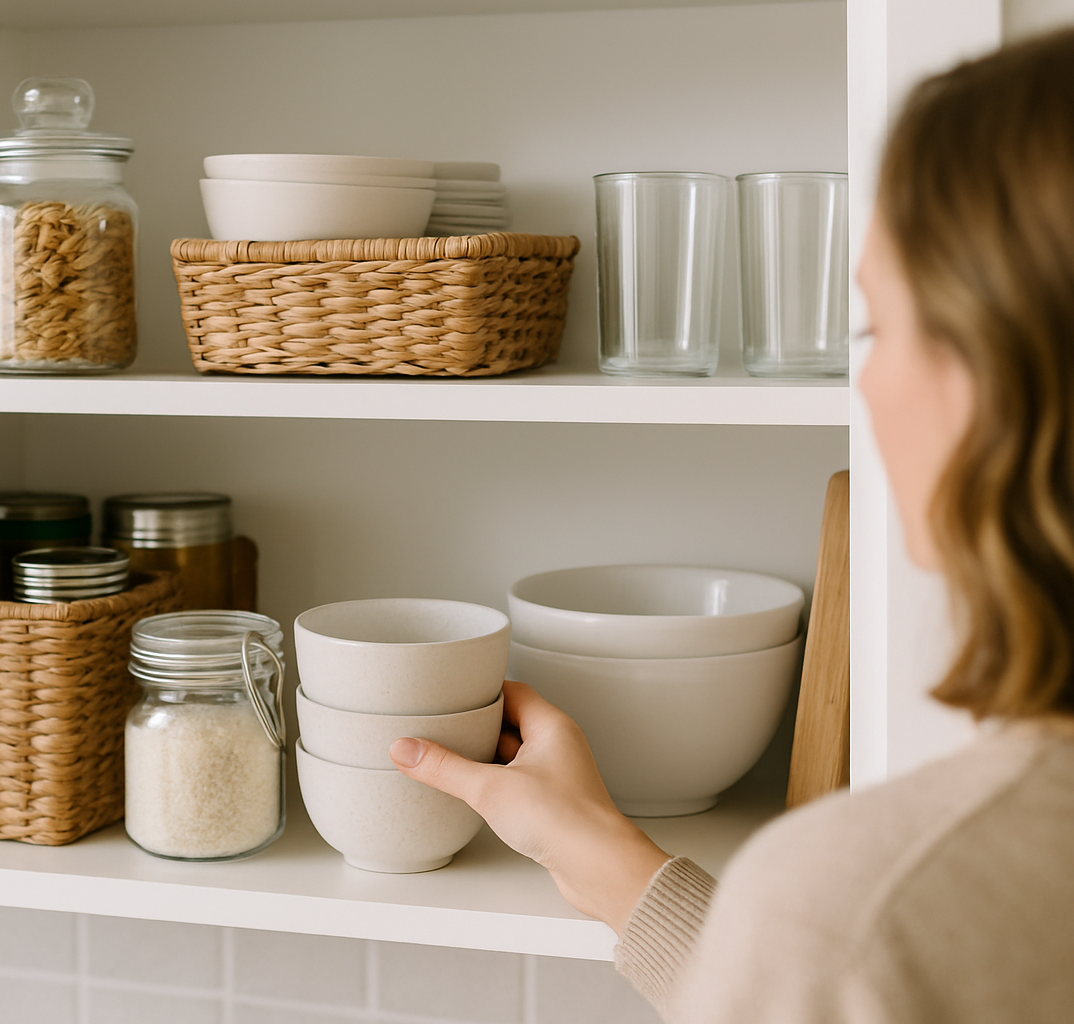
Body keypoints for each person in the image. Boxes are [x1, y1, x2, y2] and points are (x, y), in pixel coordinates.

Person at [390, 27, 1074, 1024]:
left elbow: (843, 959)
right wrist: (611, 857)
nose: (865, 380)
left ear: (999, 380)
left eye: (876, 325)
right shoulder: (858, 920)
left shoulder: (868, 905)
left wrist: (788, 925)